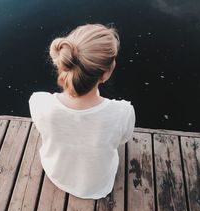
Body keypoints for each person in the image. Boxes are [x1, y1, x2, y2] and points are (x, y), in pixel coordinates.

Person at [28, 23, 135, 199]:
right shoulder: (122, 113)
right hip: (98, 185)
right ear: (106, 73)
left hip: (56, 175)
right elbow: (123, 139)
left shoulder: (39, 102)